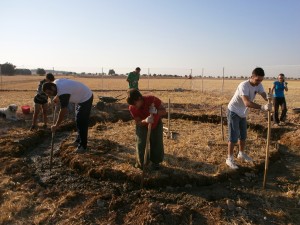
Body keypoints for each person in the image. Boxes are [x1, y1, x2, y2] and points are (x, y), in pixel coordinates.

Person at [226, 67, 272, 169]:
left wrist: (267, 97)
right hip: (233, 111)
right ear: (251, 77)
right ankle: (229, 159)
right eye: (257, 80)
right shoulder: (244, 86)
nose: (259, 82)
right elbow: (247, 103)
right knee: (233, 136)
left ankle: (241, 154)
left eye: (261, 80)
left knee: (243, 135)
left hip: (243, 113)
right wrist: (262, 107)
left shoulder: (258, 84)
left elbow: (263, 93)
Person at [42, 79, 93, 153]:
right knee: (78, 120)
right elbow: (61, 89)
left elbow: (63, 111)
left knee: (82, 122)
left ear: (52, 88)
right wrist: (57, 97)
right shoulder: (56, 83)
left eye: (49, 93)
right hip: (80, 98)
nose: (50, 95)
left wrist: (56, 125)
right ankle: (78, 140)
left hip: (86, 98)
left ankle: (83, 146)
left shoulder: (63, 92)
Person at [127, 89, 167, 170]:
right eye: (132, 104)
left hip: (156, 124)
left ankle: (156, 163)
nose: (134, 106)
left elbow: (164, 111)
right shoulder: (132, 108)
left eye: (135, 103)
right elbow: (138, 122)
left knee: (157, 143)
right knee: (141, 144)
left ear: (139, 98)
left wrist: (156, 111)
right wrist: (145, 120)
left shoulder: (152, 99)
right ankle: (142, 164)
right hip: (142, 125)